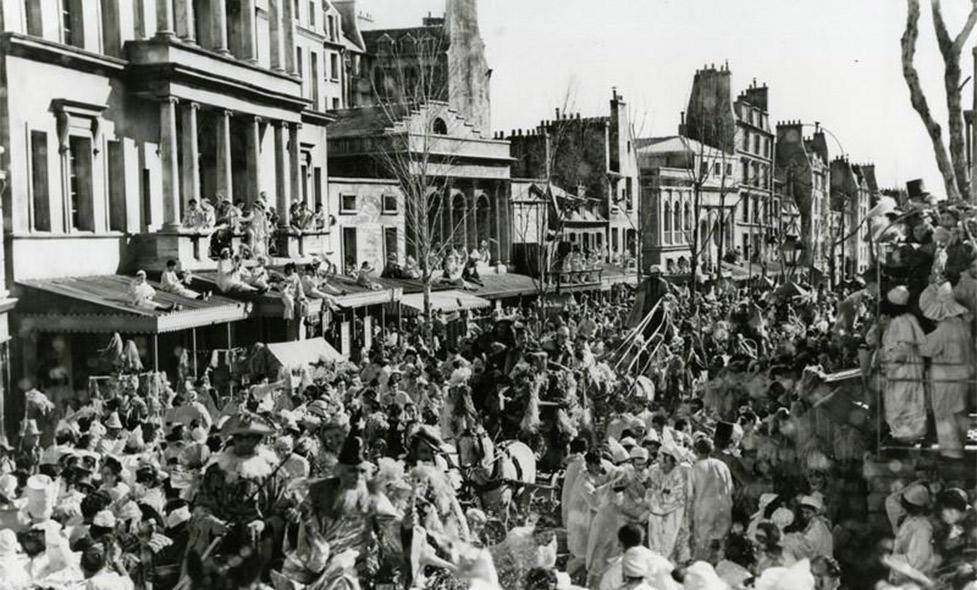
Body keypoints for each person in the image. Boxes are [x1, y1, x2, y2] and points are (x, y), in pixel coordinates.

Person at [919, 280, 974, 459]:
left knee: (946, 418)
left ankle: (952, 456)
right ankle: (959, 449)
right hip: (963, 378)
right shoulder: (963, 326)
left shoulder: (944, 330)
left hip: (946, 382)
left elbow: (925, 348)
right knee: (960, 417)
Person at [880, 285, 927, 443]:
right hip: (910, 368)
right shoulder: (910, 319)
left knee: (901, 403)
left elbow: (901, 351)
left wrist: (886, 360)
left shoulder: (900, 323)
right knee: (910, 402)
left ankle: (904, 439)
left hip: (902, 371)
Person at [690, 437, 734, 560]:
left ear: (695, 450)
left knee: (703, 545)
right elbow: (731, 488)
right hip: (724, 508)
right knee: (721, 542)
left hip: (704, 510)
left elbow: (690, 493)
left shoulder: (696, 467)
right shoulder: (722, 465)